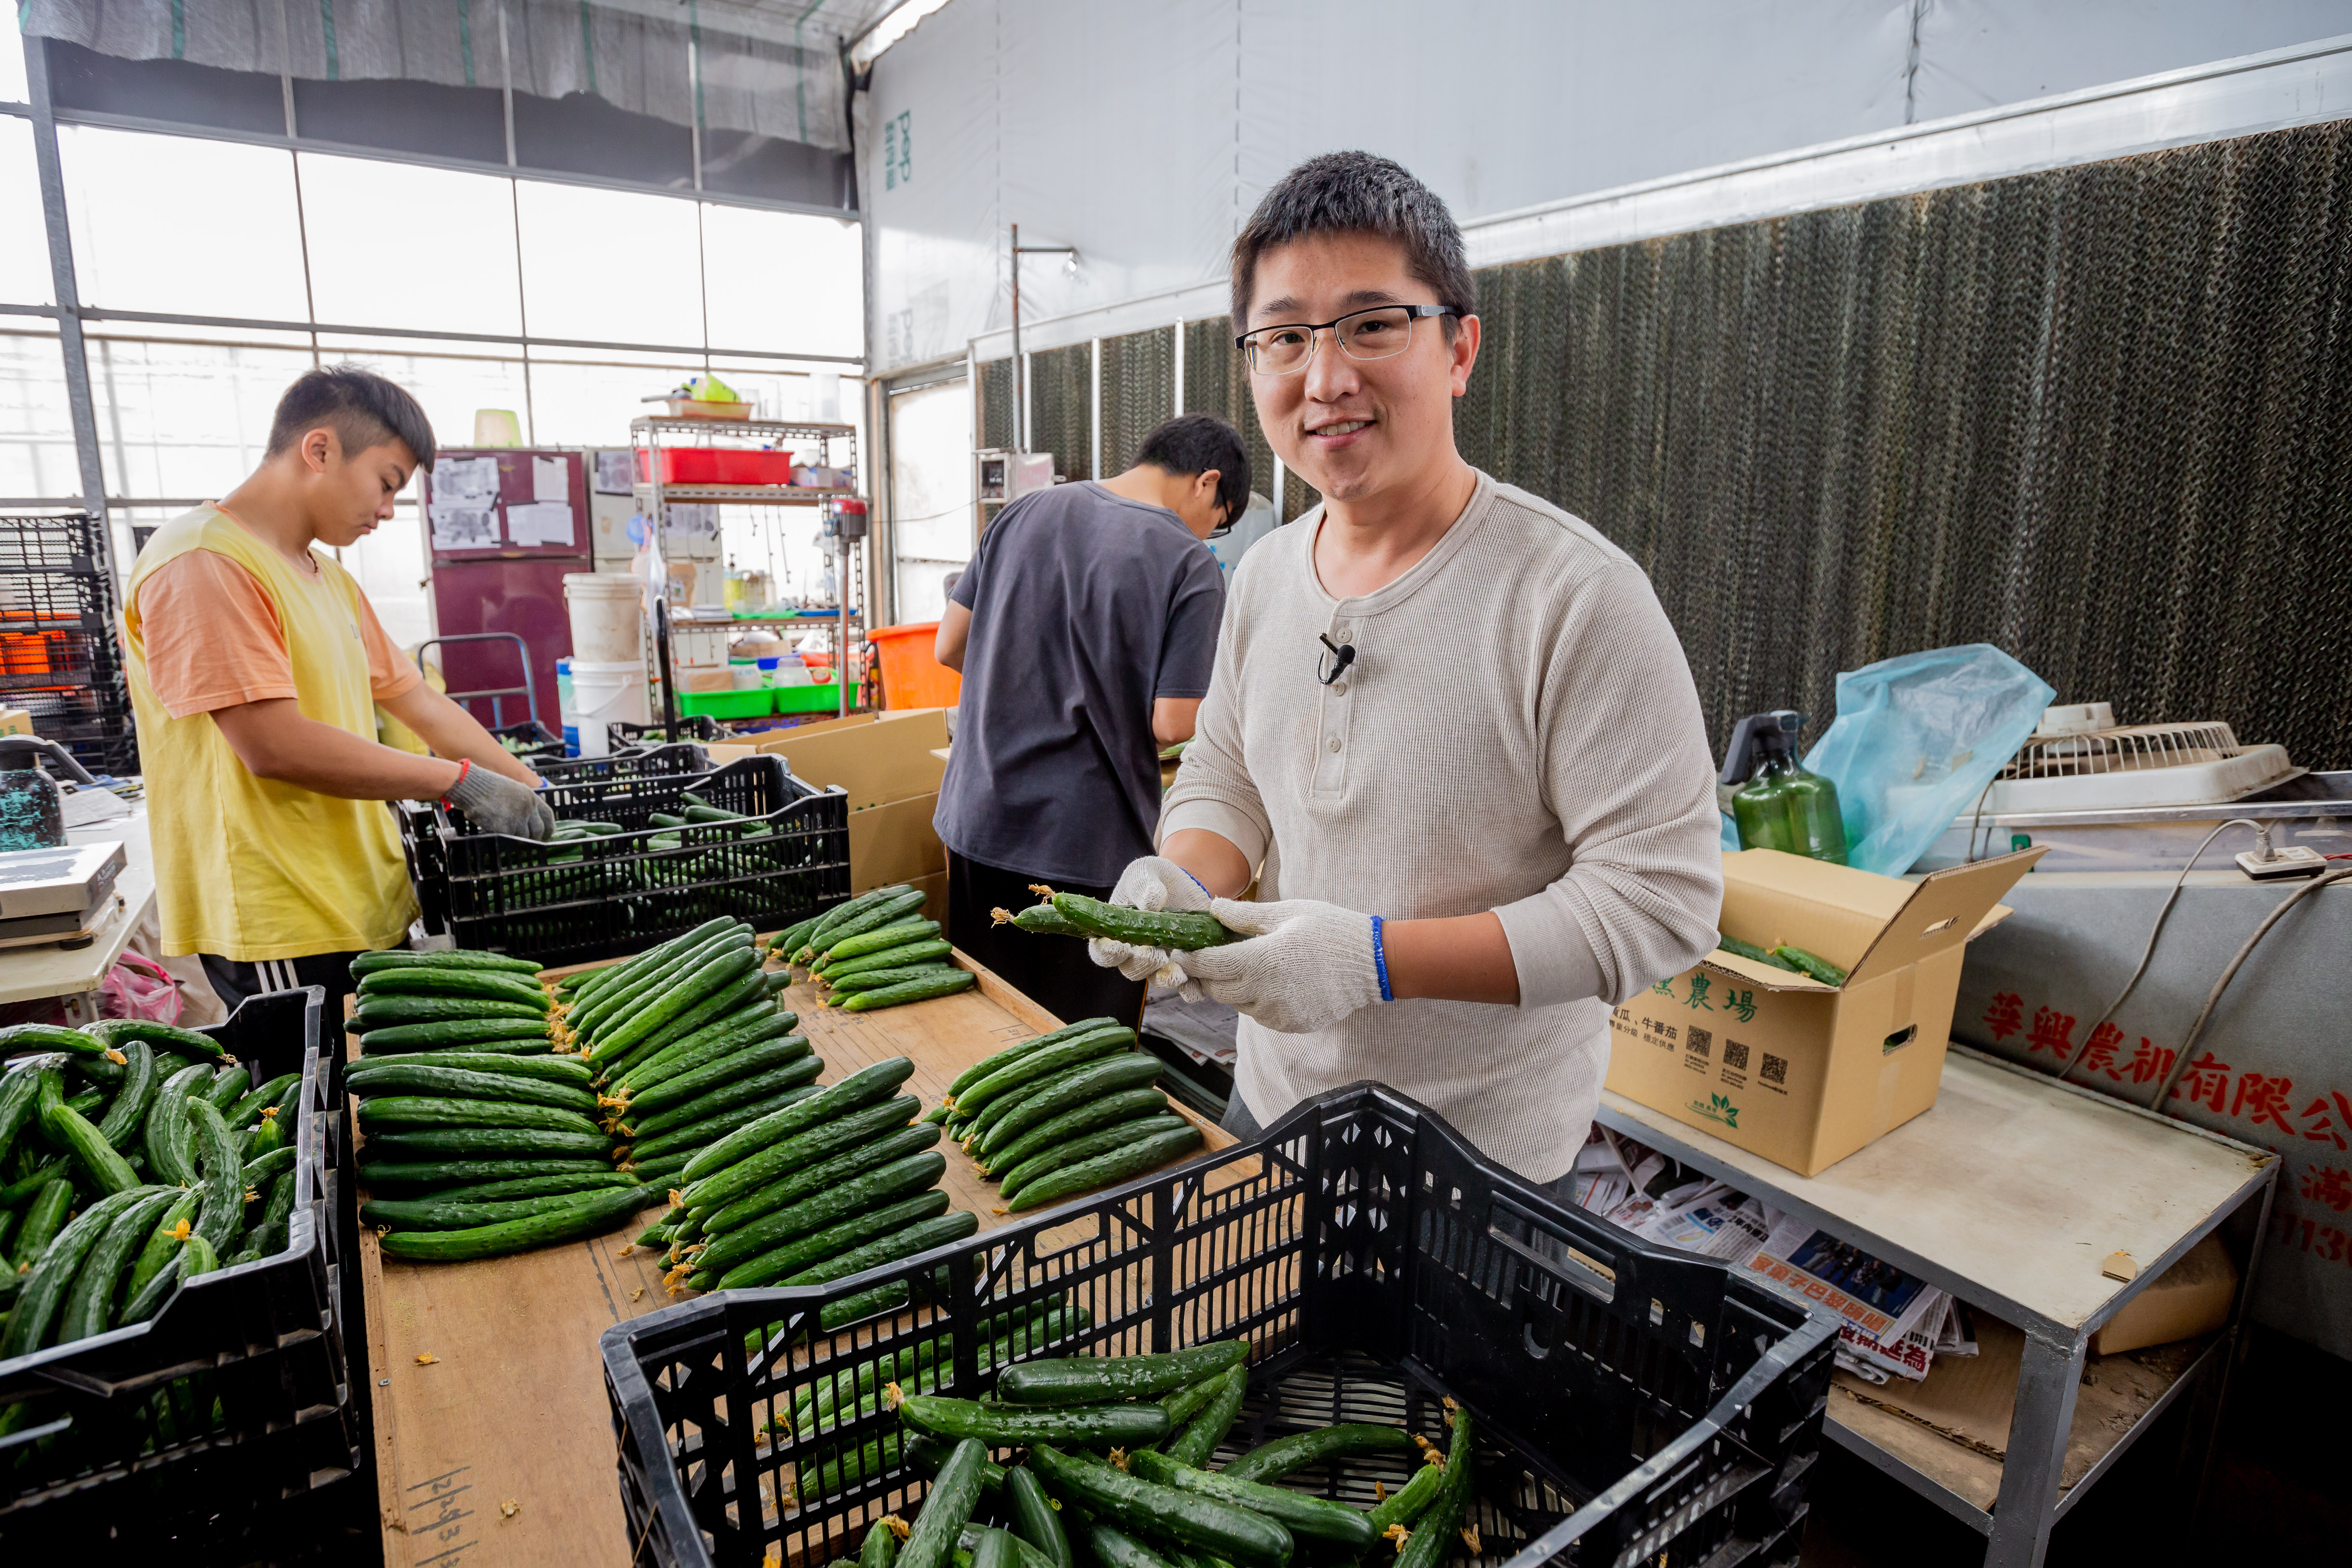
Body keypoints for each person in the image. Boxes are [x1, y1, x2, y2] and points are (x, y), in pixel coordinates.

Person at [1096, 153, 1723, 1194]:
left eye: (1372, 325)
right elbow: (1226, 779)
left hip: (1481, 1166)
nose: (1325, 377)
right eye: (1285, 338)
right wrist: (1186, 880)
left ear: (1460, 347)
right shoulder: (1259, 577)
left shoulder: (1574, 596)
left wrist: (1373, 959)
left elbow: (1658, 906)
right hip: (1275, 1108)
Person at [123, 365, 555, 1016]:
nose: (387, 510)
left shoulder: (329, 578)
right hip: (280, 915)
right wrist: (457, 781)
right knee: (319, 1108)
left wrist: (538, 793)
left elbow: (419, 703)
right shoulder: (204, 562)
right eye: (386, 484)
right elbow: (274, 746)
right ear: (320, 450)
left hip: (363, 898)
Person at [934, 414, 1250, 1029]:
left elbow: (950, 647)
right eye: (1223, 519)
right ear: (1208, 484)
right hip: (1084, 846)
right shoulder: (1188, 563)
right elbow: (1173, 722)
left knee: (983, 1026)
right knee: (1076, 1059)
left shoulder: (1024, 513)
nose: (1214, 533)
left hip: (977, 819)